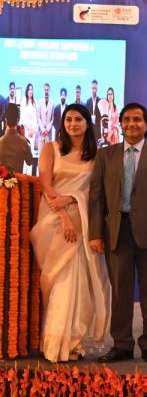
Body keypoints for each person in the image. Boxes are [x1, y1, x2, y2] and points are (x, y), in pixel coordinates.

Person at [88, 102, 147, 364]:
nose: (131, 124)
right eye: (126, 119)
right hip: (116, 232)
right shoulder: (106, 155)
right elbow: (96, 197)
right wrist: (95, 233)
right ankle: (122, 344)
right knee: (120, 293)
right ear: (121, 124)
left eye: (137, 119)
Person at [30, 104, 111, 363]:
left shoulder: (97, 155)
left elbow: (96, 192)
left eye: (78, 119)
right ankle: (54, 343)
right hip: (54, 217)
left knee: (78, 283)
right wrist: (64, 215)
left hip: (82, 218)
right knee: (56, 280)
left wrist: (73, 200)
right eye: (68, 120)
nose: (73, 124)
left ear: (87, 123)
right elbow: (45, 184)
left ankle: (73, 343)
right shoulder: (50, 148)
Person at [0, 104, 33, 172]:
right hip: (18, 178)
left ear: (6, 120)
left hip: (2, 179)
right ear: (17, 120)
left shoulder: (1, 141)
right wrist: (24, 137)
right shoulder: (23, 141)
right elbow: (30, 161)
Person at [37, 83, 55, 149]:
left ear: (49, 90)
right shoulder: (40, 102)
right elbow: (38, 117)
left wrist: (47, 129)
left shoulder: (52, 103)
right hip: (41, 131)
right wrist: (43, 129)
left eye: (47, 90)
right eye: (45, 90)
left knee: (48, 152)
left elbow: (53, 118)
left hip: (48, 132)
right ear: (43, 90)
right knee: (40, 153)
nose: (46, 91)